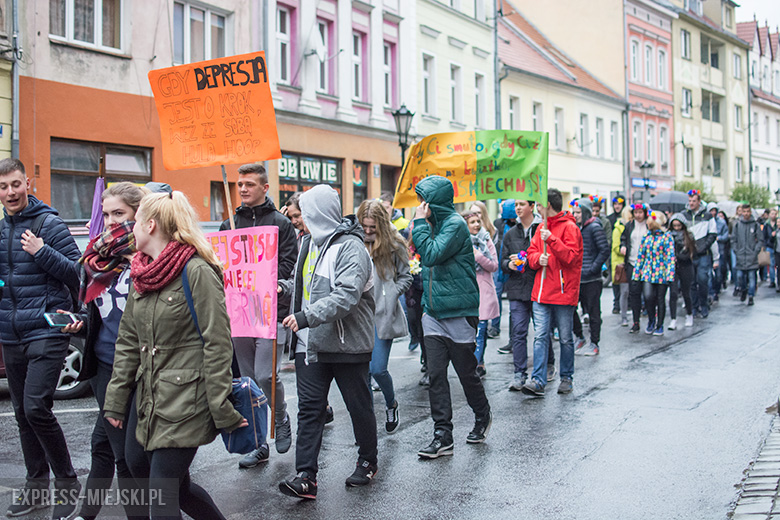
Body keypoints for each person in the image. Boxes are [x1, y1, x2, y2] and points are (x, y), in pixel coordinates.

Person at [103, 190, 245, 519]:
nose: (130, 229)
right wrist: (116, 398)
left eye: (135, 221)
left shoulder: (196, 271)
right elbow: (127, 342)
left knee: (162, 497)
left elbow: (218, 342)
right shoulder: (142, 273)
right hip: (149, 396)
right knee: (151, 474)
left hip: (187, 399)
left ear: (150, 225)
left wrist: (220, 406)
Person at [278, 185, 378, 498]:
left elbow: (347, 294)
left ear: (318, 214)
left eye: (304, 214)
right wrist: (279, 288)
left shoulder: (351, 248)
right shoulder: (308, 243)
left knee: (358, 406)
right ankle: (305, 476)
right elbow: (301, 285)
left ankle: (367, 460)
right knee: (309, 410)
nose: (299, 221)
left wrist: (307, 315)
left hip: (345, 344)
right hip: (310, 344)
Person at [0, 158, 83, 519]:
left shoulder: (49, 224)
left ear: (28, 183)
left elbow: (78, 275)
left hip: (47, 329)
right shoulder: (2, 230)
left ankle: (67, 484)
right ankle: (37, 486)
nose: (9, 192)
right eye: (3, 187)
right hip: (11, 331)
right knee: (21, 414)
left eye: (15, 184)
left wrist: (41, 250)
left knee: (35, 407)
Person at [64, 182, 149, 520]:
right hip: (103, 367)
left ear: (138, 215)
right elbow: (97, 313)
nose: (112, 222)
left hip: (139, 370)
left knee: (129, 458)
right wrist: (79, 323)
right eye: (106, 214)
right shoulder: (97, 259)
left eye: (120, 214)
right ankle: (86, 513)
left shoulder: (149, 258)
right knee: (106, 446)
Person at [219, 163, 298, 467]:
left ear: (265, 188)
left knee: (267, 375)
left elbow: (289, 263)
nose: (242, 189)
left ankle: (280, 417)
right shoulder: (230, 224)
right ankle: (258, 442)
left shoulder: (281, 223)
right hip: (239, 311)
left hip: (269, 311)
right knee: (248, 380)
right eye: (239, 184)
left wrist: (273, 284)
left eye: (249, 184)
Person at [412, 176, 492, 459]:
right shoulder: (433, 225)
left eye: (424, 200)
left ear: (435, 202)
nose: (420, 206)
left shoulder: (456, 225)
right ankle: (442, 436)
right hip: (433, 313)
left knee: (466, 374)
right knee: (435, 376)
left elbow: (431, 254)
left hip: (458, 312)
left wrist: (419, 224)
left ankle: (482, 414)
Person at [357, 199, 412, 434]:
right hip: (357, 316)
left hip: (382, 315)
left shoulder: (394, 244)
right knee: (362, 374)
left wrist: (391, 292)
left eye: (373, 227)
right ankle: (368, 422)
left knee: (378, 369)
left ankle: (391, 403)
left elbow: (406, 277)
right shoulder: (354, 241)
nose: (368, 231)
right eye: (364, 226)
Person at [521, 188, 583, 397]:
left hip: (564, 293)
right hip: (541, 292)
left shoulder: (570, 228)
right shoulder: (540, 228)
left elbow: (572, 258)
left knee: (565, 338)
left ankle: (566, 377)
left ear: (547, 205)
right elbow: (530, 255)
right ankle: (538, 380)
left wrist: (552, 241)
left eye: (539, 205)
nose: (537, 208)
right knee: (540, 336)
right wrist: (538, 259)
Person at [499, 199, 545, 390]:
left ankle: (546, 367)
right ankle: (519, 374)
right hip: (517, 289)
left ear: (532, 207)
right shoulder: (510, 233)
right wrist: (509, 265)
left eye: (522, 204)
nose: (518, 208)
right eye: (516, 204)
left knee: (542, 333)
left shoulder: (542, 230)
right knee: (518, 332)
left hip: (539, 288)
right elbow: (502, 261)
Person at [463, 210, 499, 377]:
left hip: (483, 290)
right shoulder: (460, 242)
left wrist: (478, 255)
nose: (476, 225)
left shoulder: (486, 240)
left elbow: (493, 266)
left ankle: (476, 365)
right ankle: (476, 361)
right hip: (467, 290)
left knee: (481, 329)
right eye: (472, 222)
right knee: (470, 331)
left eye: (478, 221)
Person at [572, 198, 609, 356]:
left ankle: (595, 343)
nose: (576, 215)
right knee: (570, 308)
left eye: (579, 212)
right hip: (577, 277)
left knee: (594, 312)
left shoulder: (595, 227)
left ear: (586, 212)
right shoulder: (575, 228)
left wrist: (593, 268)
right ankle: (580, 336)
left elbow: (604, 250)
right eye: (574, 213)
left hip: (592, 279)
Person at [631, 212, 675, 334]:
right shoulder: (647, 237)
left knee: (660, 299)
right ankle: (651, 320)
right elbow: (641, 256)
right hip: (648, 272)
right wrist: (636, 274)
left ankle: (659, 325)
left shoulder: (667, 237)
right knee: (648, 297)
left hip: (662, 273)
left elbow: (670, 257)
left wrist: (670, 275)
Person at [681, 190, 717, 318]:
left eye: (694, 201)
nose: (691, 203)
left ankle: (704, 305)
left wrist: (703, 247)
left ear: (699, 201)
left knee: (702, 280)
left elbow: (713, 234)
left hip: (703, 254)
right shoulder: (683, 215)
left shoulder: (707, 216)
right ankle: (694, 307)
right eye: (689, 201)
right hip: (689, 254)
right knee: (691, 282)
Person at [488, 199, 517, 338]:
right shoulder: (498, 224)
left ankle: (514, 335)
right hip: (499, 266)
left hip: (513, 265)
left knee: (515, 303)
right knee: (496, 295)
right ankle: (495, 326)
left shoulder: (518, 225)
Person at [620, 203, 650, 333]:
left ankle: (651, 319)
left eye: (640, 212)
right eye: (636, 212)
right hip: (633, 263)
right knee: (634, 293)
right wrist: (623, 245)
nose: (638, 215)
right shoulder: (629, 225)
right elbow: (624, 238)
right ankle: (636, 322)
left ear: (644, 213)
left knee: (649, 294)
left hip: (648, 264)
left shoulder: (650, 225)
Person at [668, 213, 696, 329]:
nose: (677, 228)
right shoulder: (668, 236)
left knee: (686, 292)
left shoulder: (689, 236)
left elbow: (691, 254)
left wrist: (678, 256)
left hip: (685, 266)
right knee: (673, 293)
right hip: (673, 267)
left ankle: (689, 314)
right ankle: (673, 319)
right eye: (674, 226)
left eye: (679, 226)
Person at [732, 203, 763, 306]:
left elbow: (760, 240)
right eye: (744, 211)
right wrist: (736, 250)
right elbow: (734, 239)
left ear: (750, 212)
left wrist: (755, 251)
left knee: (752, 277)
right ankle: (743, 289)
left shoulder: (755, 225)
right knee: (740, 276)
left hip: (751, 256)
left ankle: (751, 296)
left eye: (747, 211)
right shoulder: (737, 224)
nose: (746, 214)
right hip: (741, 255)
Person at [611, 207, 631, 327]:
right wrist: (625, 250)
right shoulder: (618, 228)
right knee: (624, 291)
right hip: (621, 263)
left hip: (631, 262)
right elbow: (615, 247)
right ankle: (624, 317)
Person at [608, 196, 626, 314]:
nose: (617, 206)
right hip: (613, 255)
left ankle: (624, 303)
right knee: (615, 280)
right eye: (615, 204)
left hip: (623, 255)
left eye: (619, 204)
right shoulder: (610, 219)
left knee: (624, 281)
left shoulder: (626, 218)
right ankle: (616, 304)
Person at [707, 202, 728, 301]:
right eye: (711, 210)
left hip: (720, 249)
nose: (713, 212)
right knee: (709, 274)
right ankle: (711, 293)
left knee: (719, 273)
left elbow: (726, 235)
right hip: (709, 250)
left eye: (714, 210)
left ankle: (717, 290)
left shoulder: (721, 222)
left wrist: (718, 238)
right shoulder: (706, 222)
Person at [763, 208, 778, 289]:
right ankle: (772, 281)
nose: (773, 215)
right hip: (769, 246)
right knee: (771, 265)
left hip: (777, 246)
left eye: (775, 214)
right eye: (772, 214)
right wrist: (765, 246)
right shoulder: (766, 224)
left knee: (777, 265)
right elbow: (764, 236)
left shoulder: (778, 223)